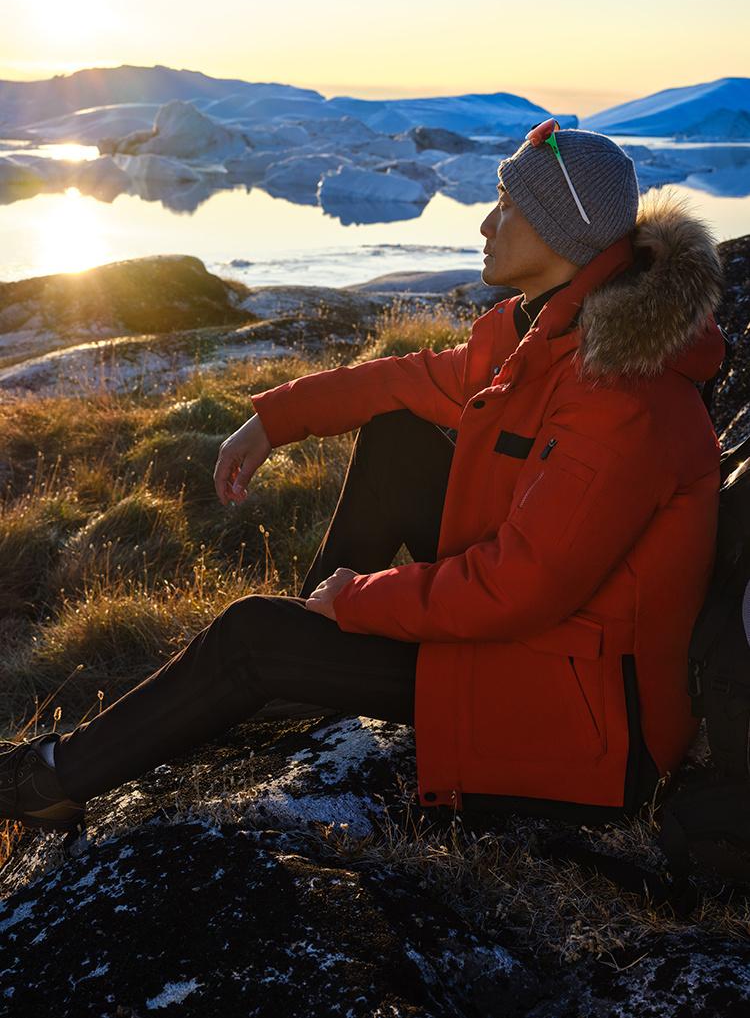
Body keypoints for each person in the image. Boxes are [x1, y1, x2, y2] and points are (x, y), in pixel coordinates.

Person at [0, 124, 726, 834]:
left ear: (559, 233)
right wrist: (278, 418)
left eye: (507, 204)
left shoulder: (626, 392)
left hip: (580, 720)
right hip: (540, 654)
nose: (484, 221)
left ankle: (49, 780)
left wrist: (358, 601)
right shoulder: (549, 331)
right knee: (401, 438)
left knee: (252, 635)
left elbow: (518, 589)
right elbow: (410, 381)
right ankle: (299, 653)